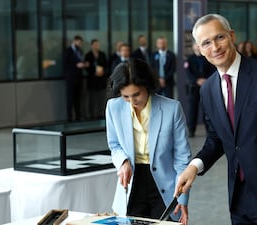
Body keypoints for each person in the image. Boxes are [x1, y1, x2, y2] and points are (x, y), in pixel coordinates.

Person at [174, 14, 257, 225]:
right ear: (200, 49)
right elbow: (216, 138)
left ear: (231, 36)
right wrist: (194, 167)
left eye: (219, 37)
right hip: (238, 195)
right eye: (206, 43)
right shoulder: (208, 89)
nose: (215, 47)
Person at [106, 59, 191, 225]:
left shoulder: (172, 109)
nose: (132, 102)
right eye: (125, 96)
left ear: (147, 86)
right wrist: (123, 162)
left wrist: (183, 198)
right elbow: (114, 145)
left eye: (136, 94)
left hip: (165, 186)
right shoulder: (113, 107)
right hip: (132, 184)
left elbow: (183, 158)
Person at [184, 43, 215, 137]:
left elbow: (213, 70)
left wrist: (206, 80)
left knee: (206, 110)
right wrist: (197, 80)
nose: (197, 47)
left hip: (206, 87)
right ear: (193, 48)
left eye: (199, 45)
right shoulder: (189, 59)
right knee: (192, 110)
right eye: (195, 45)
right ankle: (191, 130)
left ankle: (208, 130)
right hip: (193, 88)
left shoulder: (207, 58)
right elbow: (188, 73)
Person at [64, 35, 88, 121]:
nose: (80, 44)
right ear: (75, 41)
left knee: (78, 97)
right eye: (79, 42)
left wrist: (84, 64)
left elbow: (81, 60)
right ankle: (69, 117)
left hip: (79, 78)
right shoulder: (68, 51)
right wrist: (75, 65)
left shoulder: (80, 51)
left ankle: (78, 116)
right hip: (71, 78)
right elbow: (65, 64)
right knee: (70, 97)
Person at [84, 39, 108, 119]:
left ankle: (100, 115)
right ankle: (91, 116)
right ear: (91, 45)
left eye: (98, 44)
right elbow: (86, 67)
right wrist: (93, 72)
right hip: (92, 81)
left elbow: (106, 66)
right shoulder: (88, 55)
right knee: (92, 100)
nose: (96, 46)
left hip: (101, 81)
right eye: (95, 45)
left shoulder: (102, 54)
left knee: (101, 99)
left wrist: (103, 72)